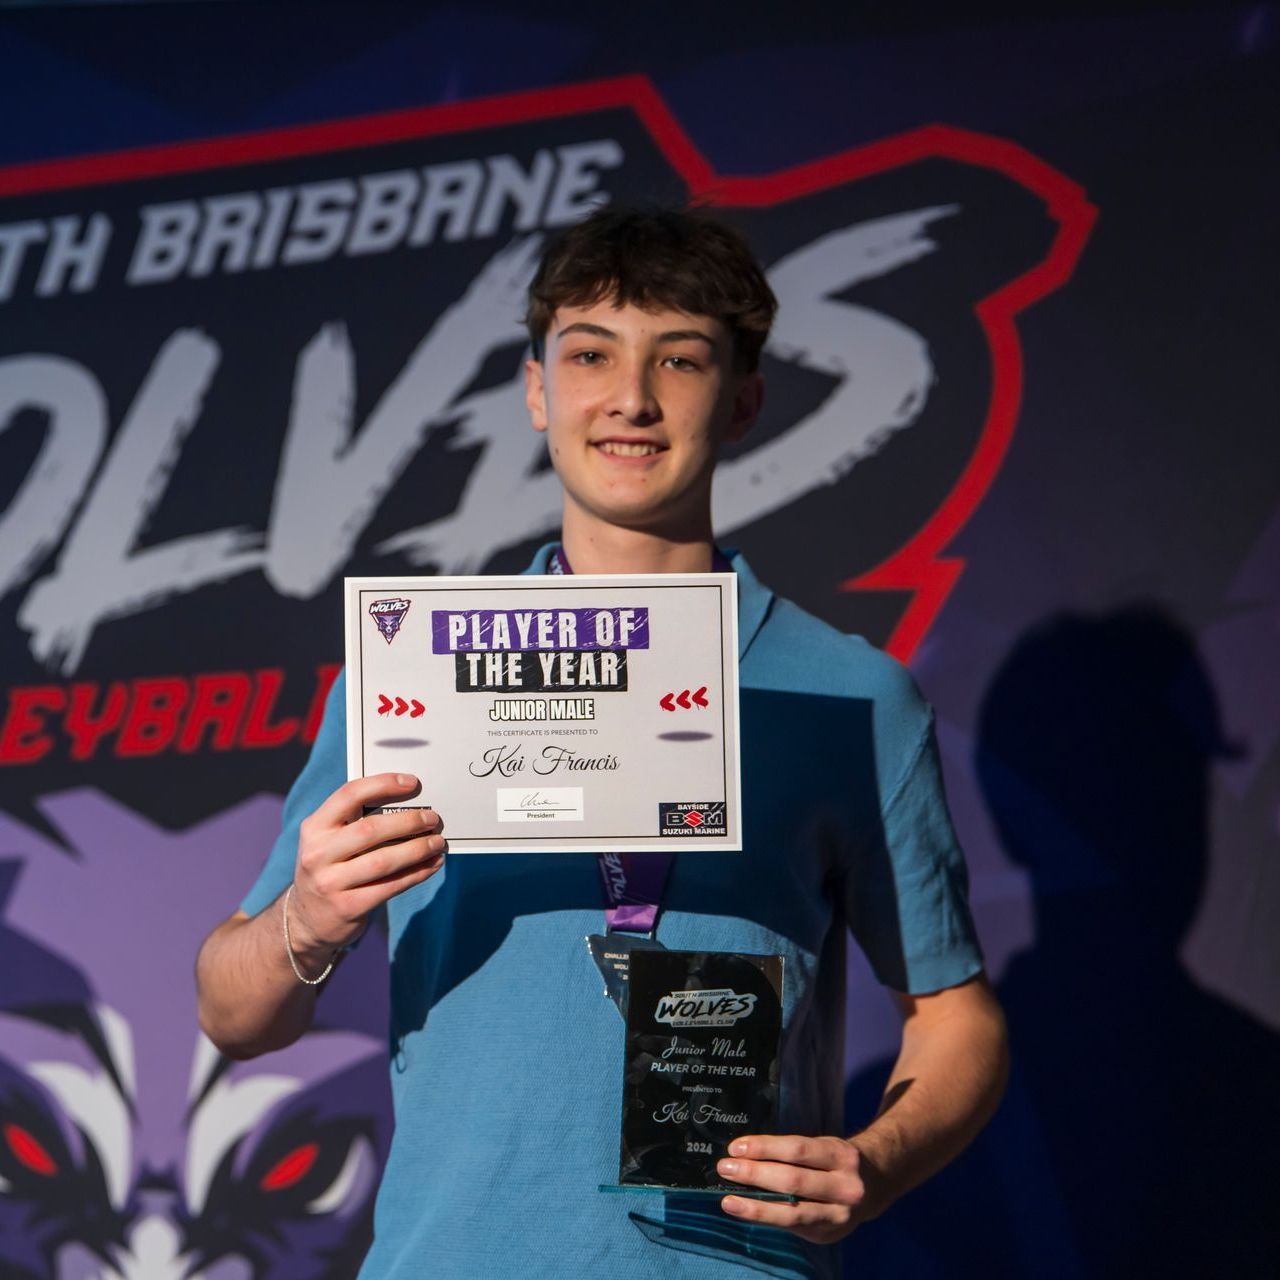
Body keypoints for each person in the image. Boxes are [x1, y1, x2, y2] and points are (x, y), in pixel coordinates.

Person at [197, 206, 1008, 1279]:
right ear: (537, 390)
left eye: (679, 358)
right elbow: (232, 1007)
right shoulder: (412, 675)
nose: (630, 398)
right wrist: (304, 917)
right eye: (589, 354)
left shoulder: (852, 696)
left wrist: (877, 1161)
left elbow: (956, 1017)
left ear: (743, 398)